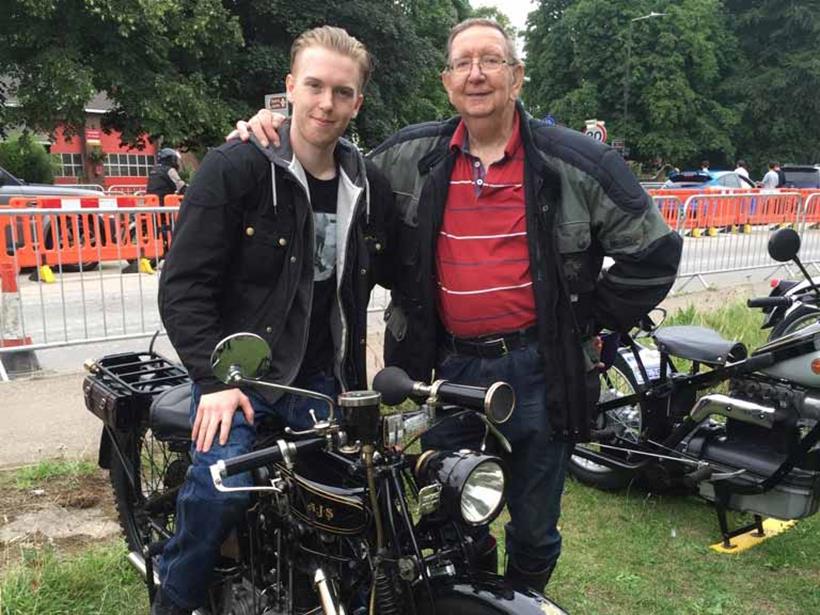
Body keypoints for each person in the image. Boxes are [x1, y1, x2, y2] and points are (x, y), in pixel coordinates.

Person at [236, 17, 682, 594]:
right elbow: (324, 153)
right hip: (443, 369)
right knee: (448, 511)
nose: (477, 74)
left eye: (491, 60)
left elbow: (654, 254)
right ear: (447, 81)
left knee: (535, 525)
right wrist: (268, 127)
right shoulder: (406, 157)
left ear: (516, 77)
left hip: (540, 369)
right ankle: (466, 596)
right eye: (463, 63)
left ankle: (521, 598)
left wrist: (584, 320)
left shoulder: (577, 163)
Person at [154, 26, 394, 615]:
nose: (326, 103)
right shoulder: (236, 167)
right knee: (220, 490)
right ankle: (172, 596)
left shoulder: (368, 183)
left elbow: (405, 270)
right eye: (314, 86)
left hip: (318, 380)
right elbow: (184, 287)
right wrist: (214, 384)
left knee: (355, 500)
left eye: (342, 92)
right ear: (289, 89)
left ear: (357, 102)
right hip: (238, 379)